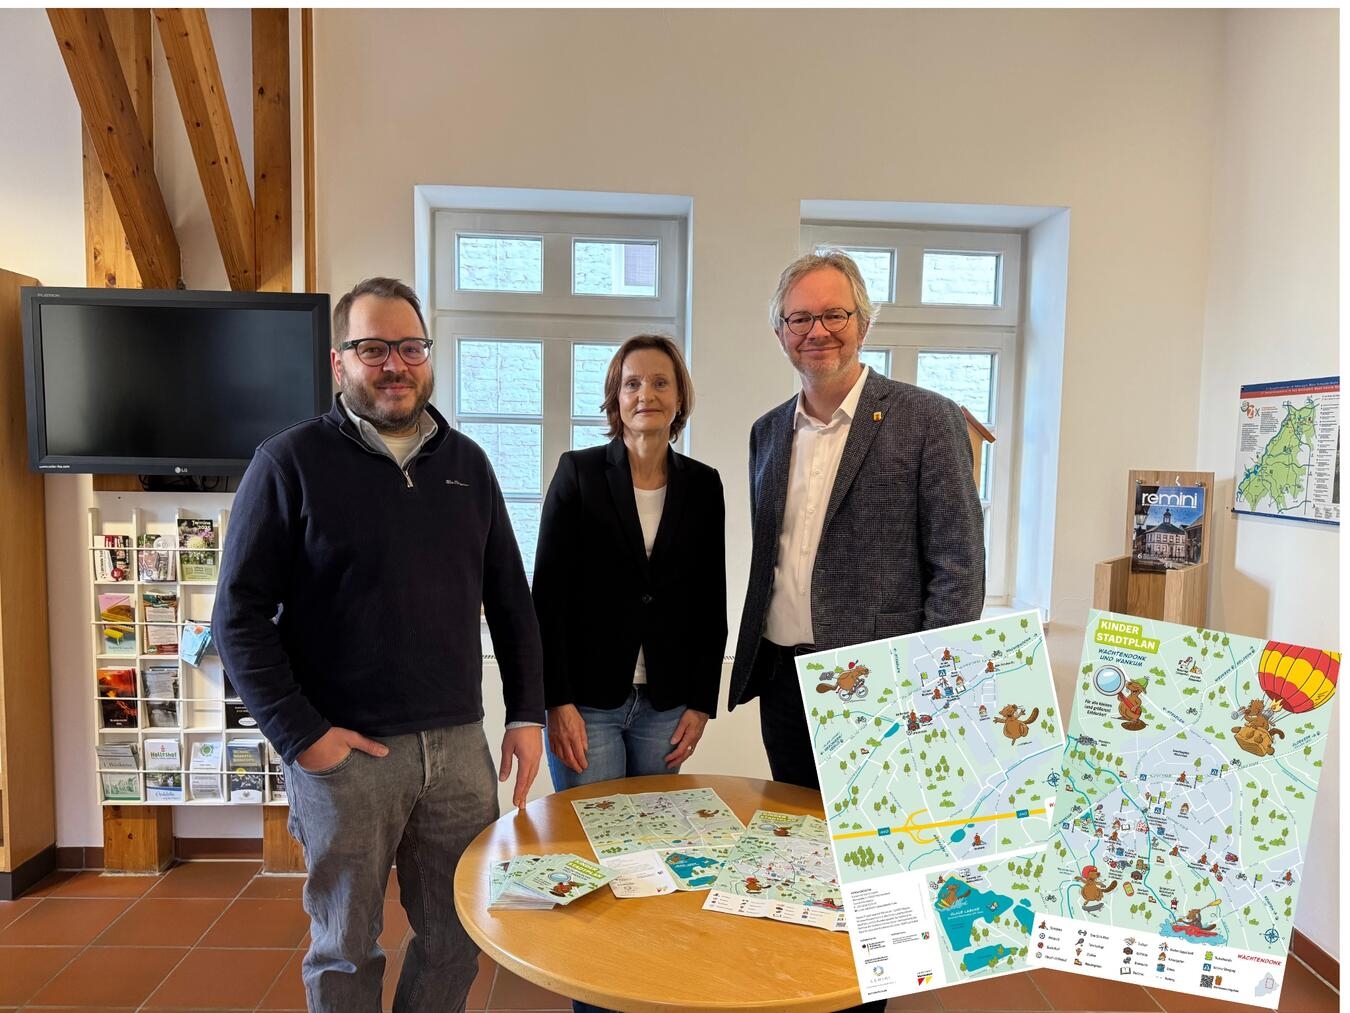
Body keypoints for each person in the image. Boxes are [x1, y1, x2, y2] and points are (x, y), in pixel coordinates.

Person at [212, 277, 544, 1013]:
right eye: (372, 348)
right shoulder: (288, 463)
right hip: (347, 759)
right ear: (340, 361)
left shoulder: (469, 464)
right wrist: (303, 736)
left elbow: (511, 602)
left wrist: (527, 713)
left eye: (410, 347)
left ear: (427, 356)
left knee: (460, 934)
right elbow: (236, 618)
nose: (395, 364)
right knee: (345, 947)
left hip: (458, 751)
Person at [728, 248, 985, 787]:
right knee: (795, 845)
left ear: (863, 323)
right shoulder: (767, 432)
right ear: (781, 333)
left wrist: (930, 684)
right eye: (799, 318)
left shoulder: (928, 419)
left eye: (834, 315)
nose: (817, 331)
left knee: (877, 852)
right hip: (781, 679)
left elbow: (959, 566)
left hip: (882, 684)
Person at [533, 334, 726, 794]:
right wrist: (555, 702)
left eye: (661, 383)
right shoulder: (577, 475)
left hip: (667, 706)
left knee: (652, 843)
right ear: (615, 398)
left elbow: (710, 602)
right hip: (586, 704)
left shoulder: (703, 486)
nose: (646, 395)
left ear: (679, 398)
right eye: (632, 383)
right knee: (593, 841)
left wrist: (701, 705)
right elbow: (547, 600)